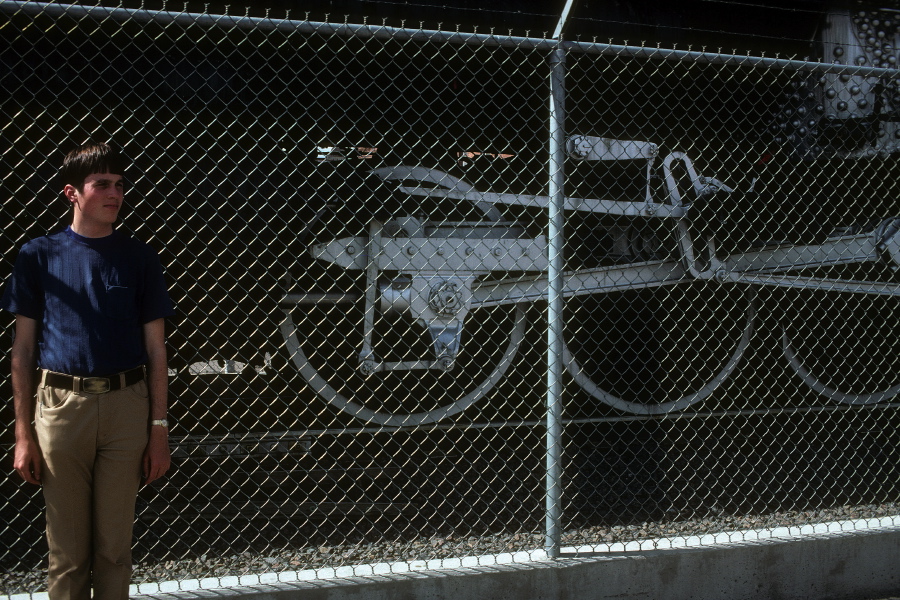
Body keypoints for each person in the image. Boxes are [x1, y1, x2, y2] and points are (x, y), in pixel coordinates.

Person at [2, 143, 175, 600]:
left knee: (114, 550)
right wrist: (23, 433)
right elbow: (23, 349)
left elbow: (156, 351)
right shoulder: (38, 256)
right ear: (72, 192)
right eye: (102, 184)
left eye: (119, 185)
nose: (115, 193)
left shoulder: (139, 258)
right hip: (61, 409)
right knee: (67, 553)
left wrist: (158, 429)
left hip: (126, 409)